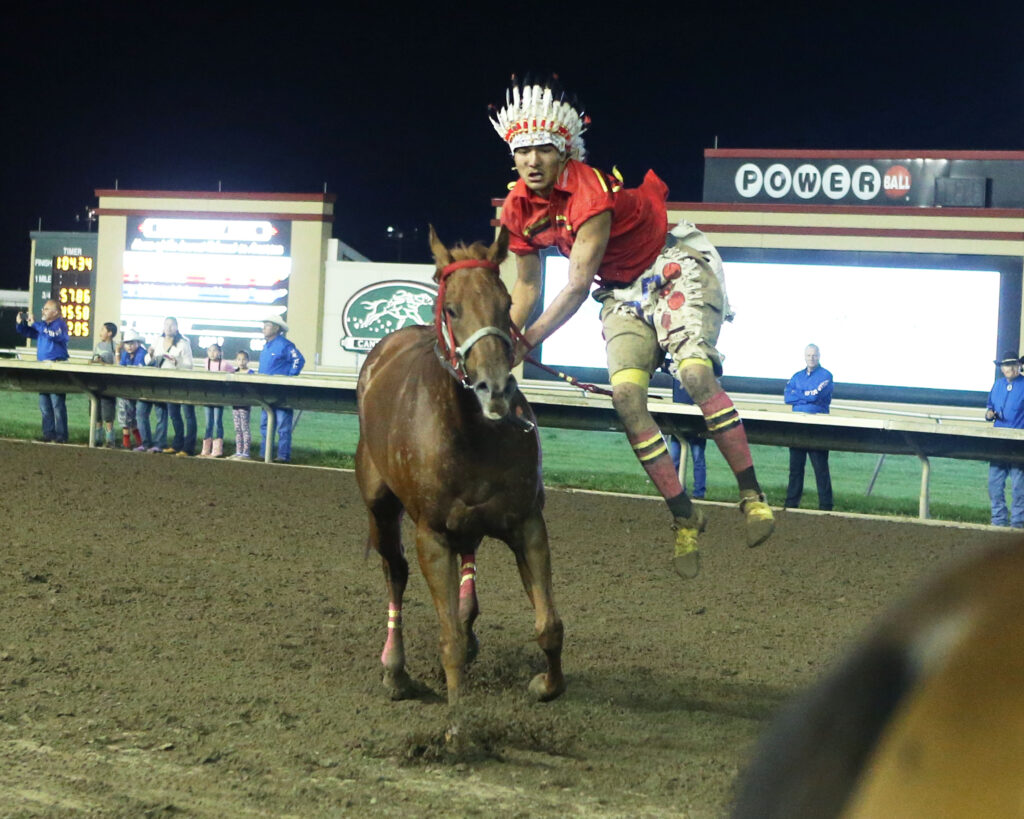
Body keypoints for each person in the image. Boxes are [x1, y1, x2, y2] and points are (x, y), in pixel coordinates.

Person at [491, 77, 773, 578]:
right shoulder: (516, 207)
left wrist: (530, 340)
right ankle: (685, 517)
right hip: (621, 290)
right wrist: (504, 342)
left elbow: (576, 285)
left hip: (672, 264)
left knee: (693, 375)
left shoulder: (588, 190)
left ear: (563, 152)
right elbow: (526, 291)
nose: (532, 161)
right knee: (625, 399)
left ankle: (751, 494)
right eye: (522, 151)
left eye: (542, 150)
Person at [783, 344, 834, 511]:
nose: (811, 358)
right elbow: (787, 397)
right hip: (797, 426)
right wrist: (807, 395)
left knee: (820, 468)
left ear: (819, 356)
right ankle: (791, 504)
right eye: (808, 355)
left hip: (817, 427)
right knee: (795, 468)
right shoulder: (797, 376)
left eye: (814, 355)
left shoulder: (826, 375)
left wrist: (800, 396)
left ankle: (826, 506)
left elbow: (817, 395)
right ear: (804, 357)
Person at [15, 299, 70, 443]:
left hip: (57, 367)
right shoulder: (43, 326)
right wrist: (20, 323)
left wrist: (35, 324)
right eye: (43, 308)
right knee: (44, 404)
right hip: (43, 367)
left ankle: (61, 435)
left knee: (57, 404)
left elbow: (52, 335)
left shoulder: (60, 325)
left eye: (46, 309)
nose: (43, 311)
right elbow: (27, 332)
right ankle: (48, 433)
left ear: (56, 312)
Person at [985, 350, 1024, 528]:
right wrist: (989, 414)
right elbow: (989, 407)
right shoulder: (998, 385)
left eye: (1014, 365)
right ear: (1002, 368)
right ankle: (998, 519)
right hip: (999, 440)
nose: (1011, 368)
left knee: (1019, 485)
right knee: (994, 482)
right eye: (1007, 365)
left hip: (1019, 442)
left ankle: (1018, 521)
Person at [258, 315, 304, 463]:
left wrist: (289, 377)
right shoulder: (266, 346)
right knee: (265, 424)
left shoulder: (285, 345)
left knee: (283, 425)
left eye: (267, 325)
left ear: (277, 328)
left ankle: (283, 456)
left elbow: (299, 360)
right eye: (264, 324)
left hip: (281, 392)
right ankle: (265, 454)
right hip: (266, 391)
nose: (263, 327)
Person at [147, 316, 195, 456]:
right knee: (174, 415)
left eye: (172, 325)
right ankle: (177, 445)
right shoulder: (158, 341)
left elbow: (189, 365)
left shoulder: (183, 343)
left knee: (188, 416)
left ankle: (188, 447)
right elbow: (148, 361)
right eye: (166, 325)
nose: (169, 327)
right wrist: (149, 355)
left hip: (183, 383)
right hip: (167, 383)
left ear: (177, 327)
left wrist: (177, 362)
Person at [199, 343, 233, 457]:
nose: (212, 353)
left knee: (217, 421)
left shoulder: (224, 364)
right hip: (208, 396)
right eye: (210, 350)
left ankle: (217, 449)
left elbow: (233, 372)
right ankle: (206, 448)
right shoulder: (206, 362)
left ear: (220, 352)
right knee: (208, 422)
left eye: (215, 350)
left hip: (219, 397)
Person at [118, 328, 149, 450]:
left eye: (132, 343)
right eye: (127, 343)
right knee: (125, 412)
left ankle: (138, 441)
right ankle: (130, 441)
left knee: (135, 415)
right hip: (128, 388)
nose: (129, 346)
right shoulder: (126, 354)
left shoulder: (142, 353)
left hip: (139, 388)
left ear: (138, 343)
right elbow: (121, 368)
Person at [90, 321, 119, 447]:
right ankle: (97, 438)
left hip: (109, 384)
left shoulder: (115, 347)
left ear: (110, 333)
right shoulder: (98, 346)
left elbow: (117, 365)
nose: (100, 332)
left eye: (103, 330)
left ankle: (110, 439)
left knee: (108, 413)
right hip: (96, 382)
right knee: (96, 412)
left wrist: (104, 363)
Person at [230, 349, 254, 459]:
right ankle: (238, 451)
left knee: (245, 427)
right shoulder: (234, 372)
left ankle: (246, 452)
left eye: (244, 359)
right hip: (236, 403)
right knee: (237, 428)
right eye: (239, 359)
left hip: (245, 404)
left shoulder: (251, 373)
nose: (241, 362)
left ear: (248, 360)